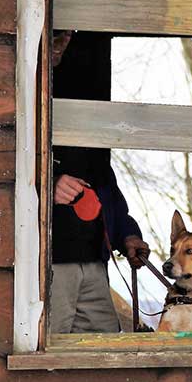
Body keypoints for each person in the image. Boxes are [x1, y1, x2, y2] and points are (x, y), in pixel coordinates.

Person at [49, 30, 150, 333]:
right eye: (57, 38)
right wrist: (48, 183)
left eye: (68, 38)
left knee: (103, 349)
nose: (62, 45)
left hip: (94, 262)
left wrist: (127, 235)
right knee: (45, 351)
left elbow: (105, 186)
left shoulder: (88, 93)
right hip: (49, 262)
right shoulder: (31, 91)